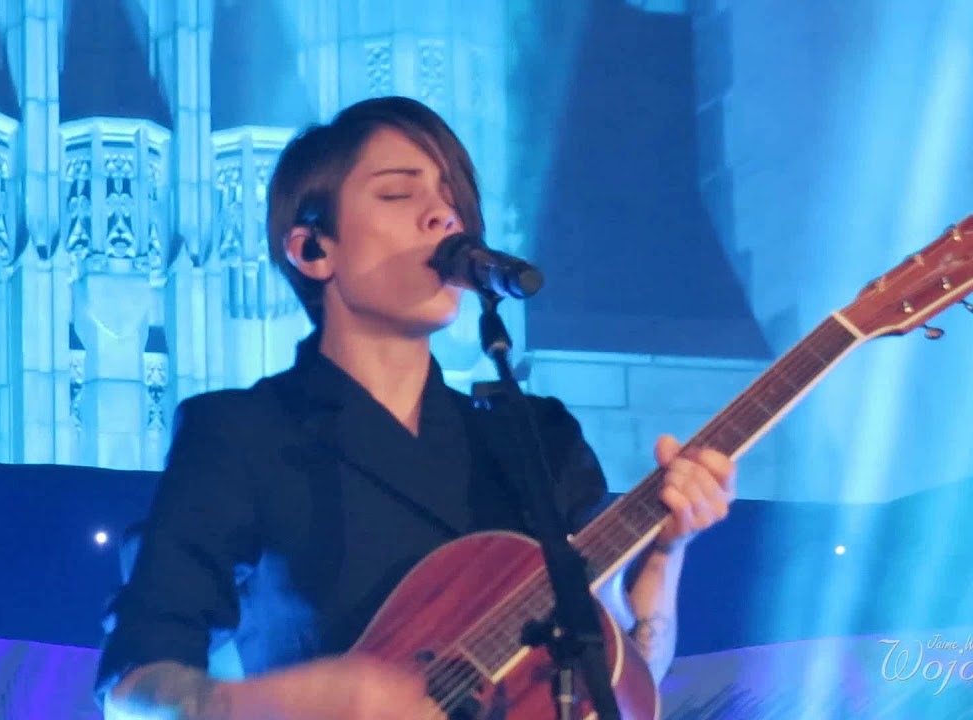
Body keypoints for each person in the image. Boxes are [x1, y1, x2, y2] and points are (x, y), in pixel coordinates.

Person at [95, 95, 737, 720]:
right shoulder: (241, 433)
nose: (444, 217)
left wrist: (665, 552)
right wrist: (306, 703)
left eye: (453, 200)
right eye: (400, 195)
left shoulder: (534, 438)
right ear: (313, 249)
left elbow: (623, 679)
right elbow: (134, 691)